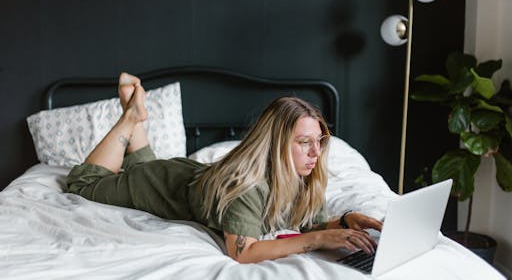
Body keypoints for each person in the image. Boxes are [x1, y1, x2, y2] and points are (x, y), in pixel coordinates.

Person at [66, 72, 382, 264]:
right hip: (157, 183)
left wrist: (343, 221)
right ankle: (130, 116)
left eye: (320, 140)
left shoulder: (302, 174)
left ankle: (134, 117)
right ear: (275, 146)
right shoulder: (249, 186)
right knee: (84, 182)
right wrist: (317, 242)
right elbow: (242, 252)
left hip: (181, 176)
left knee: (149, 165)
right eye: (304, 142)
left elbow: (306, 225)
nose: (316, 152)